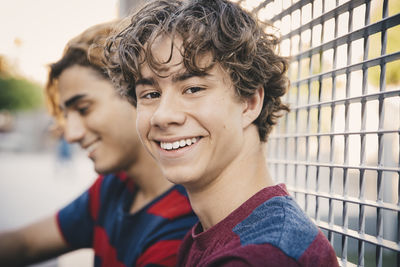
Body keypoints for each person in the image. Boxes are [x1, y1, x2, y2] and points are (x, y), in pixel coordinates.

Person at [105, 0, 339, 266]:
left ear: (249, 102)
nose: (162, 115)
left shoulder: (261, 256)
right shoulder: (215, 234)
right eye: (150, 94)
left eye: (193, 89)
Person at [0, 20, 197, 267]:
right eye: (66, 115)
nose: (70, 134)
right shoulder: (114, 186)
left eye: (83, 109)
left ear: (134, 93)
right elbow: (25, 244)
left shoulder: (181, 227)